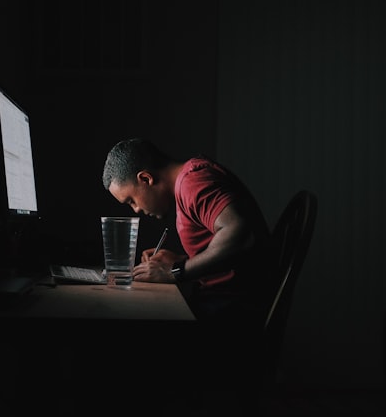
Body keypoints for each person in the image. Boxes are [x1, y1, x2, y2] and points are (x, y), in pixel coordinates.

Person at [101, 137, 273, 326]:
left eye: (131, 201)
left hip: (233, 312)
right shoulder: (190, 181)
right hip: (224, 302)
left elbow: (242, 234)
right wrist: (182, 261)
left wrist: (175, 271)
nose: (135, 209)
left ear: (146, 179)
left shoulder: (193, 182)